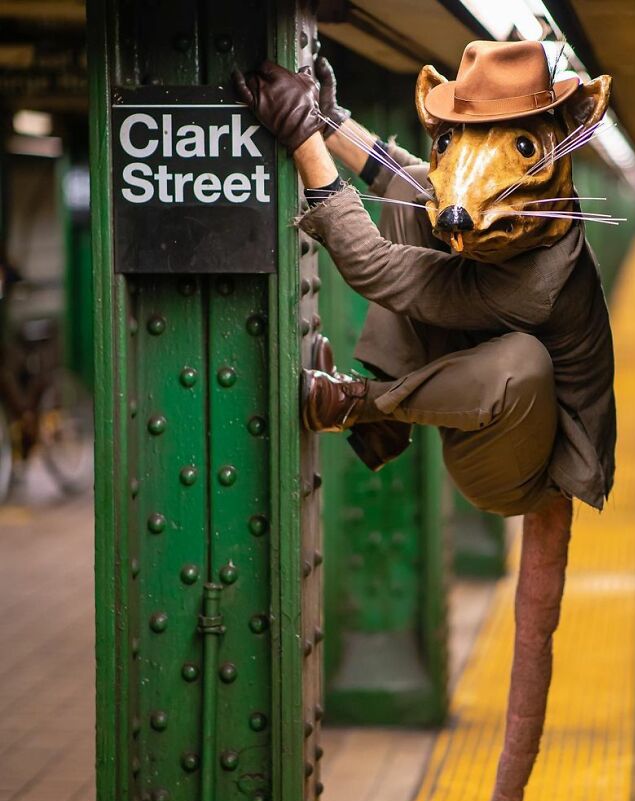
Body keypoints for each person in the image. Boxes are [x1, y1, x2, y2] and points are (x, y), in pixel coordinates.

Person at [235, 40, 615, 518]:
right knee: (418, 204)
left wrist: (302, 138)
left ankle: (362, 405)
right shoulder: (541, 206)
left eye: (521, 145)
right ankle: (389, 421)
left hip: (526, 466)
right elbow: (410, 182)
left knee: (522, 361)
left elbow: (372, 265)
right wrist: (328, 120)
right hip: (478, 389)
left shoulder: (538, 289)